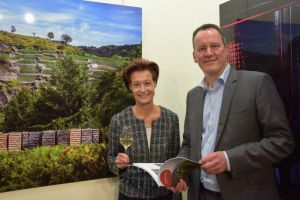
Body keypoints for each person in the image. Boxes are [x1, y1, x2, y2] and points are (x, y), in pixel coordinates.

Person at [173, 24, 295, 200]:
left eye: (214, 46)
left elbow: (282, 141)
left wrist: (230, 159)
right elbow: (189, 144)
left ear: (227, 49)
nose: (208, 53)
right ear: (194, 56)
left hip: (246, 194)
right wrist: (179, 170)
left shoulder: (257, 83)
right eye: (201, 49)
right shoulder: (193, 95)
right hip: (199, 194)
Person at [107, 58, 180, 200]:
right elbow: (111, 158)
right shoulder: (119, 120)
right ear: (130, 87)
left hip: (164, 195)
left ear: (155, 83)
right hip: (129, 195)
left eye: (147, 83)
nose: (142, 90)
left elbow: (175, 158)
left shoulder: (171, 119)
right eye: (136, 84)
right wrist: (118, 163)